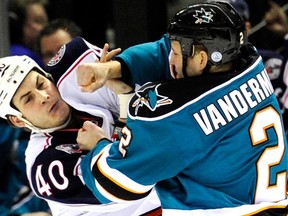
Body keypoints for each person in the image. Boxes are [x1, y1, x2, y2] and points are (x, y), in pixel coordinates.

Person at [76, 1, 288, 215]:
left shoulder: (186, 117)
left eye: (177, 52)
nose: (170, 58)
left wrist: (98, 146)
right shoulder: (248, 61)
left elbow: (114, 184)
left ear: (203, 58)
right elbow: (163, 51)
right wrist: (116, 69)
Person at [0, 37, 161, 215]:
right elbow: (128, 181)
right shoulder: (43, 166)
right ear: (19, 120)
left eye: (41, 84)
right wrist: (103, 144)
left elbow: (162, 105)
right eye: (28, 99)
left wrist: (123, 85)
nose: (43, 97)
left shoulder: (79, 70)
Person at [8, 0, 49, 68]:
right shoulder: (26, 58)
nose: (45, 27)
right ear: (21, 24)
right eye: (38, 21)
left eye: (45, 21)